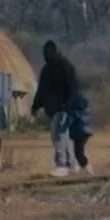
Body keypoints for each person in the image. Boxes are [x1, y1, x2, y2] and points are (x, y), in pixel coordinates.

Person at [31, 40, 90, 176]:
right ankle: (71, 164)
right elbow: (41, 90)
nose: (47, 54)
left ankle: (63, 164)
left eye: (48, 52)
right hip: (55, 109)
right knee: (63, 136)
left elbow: (73, 87)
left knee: (59, 135)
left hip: (63, 108)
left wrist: (69, 105)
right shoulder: (49, 69)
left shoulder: (64, 67)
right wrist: (35, 106)